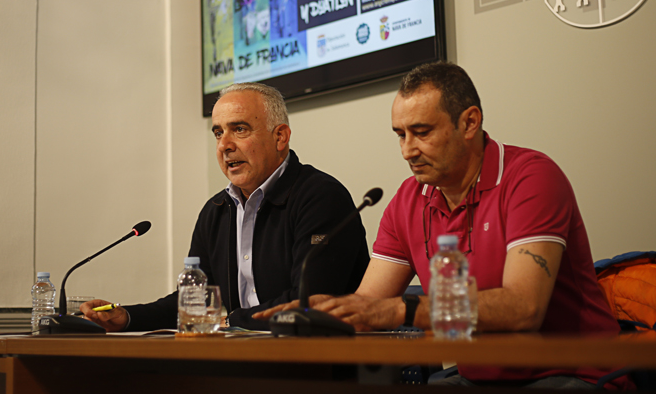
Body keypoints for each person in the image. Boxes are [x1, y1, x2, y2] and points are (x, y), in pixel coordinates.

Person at [257, 62, 625, 388]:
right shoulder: (406, 200)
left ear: (470, 122)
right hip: (476, 378)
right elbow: (370, 303)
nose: (407, 150)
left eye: (421, 132)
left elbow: (524, 308)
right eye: (400, 135)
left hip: (573, 374)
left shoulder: (531, 178)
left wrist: (401, 311)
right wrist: (325, 313)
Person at [82, 82, 369, 331]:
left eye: (239, 129)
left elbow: (310, 300)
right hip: (240, 355)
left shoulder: (321, 197)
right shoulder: (217, 210)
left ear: (280, 137)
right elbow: (194, 300)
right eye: (218, 133)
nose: (224, 145)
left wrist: (230, 321)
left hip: (317, 363)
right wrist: (128, 316)